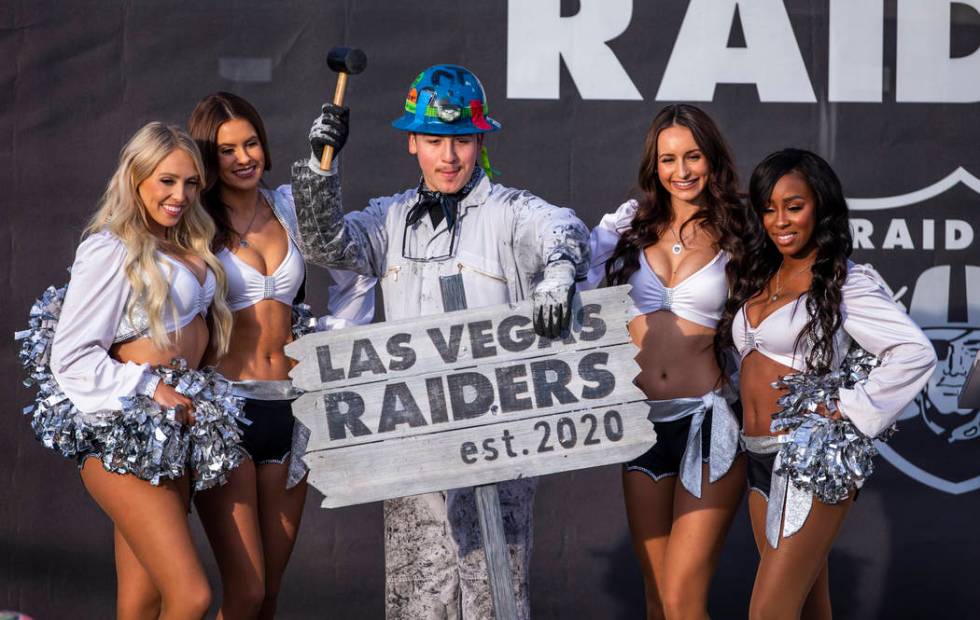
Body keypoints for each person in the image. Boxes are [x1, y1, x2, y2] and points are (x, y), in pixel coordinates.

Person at [289, 64, 590, 619]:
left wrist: (558, 274)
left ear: (480, 142)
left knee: (495, 597)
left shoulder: (509, 213)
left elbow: (564, 228)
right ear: (412, 143)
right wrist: (318, 168)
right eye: (434, 140)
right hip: (413, 443)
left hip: (499, 443)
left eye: (461, 141)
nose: (448, 156)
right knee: (416, 601)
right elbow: (326, 244)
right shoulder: (391, 217)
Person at [718, 148, 937, 619]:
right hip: (754, 453)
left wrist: (847, 407)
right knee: (811, 608)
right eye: (769, 208)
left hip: (809, 456)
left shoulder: (845, 283)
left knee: (768, 612)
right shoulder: (763, 276)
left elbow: (915, 353)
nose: (780, 220)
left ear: (821, 206)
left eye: (794, 206)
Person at [188, 92, 376, 619]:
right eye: (227, 150)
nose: (244, 157)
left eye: (251, 143)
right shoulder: (195, 224)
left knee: (268, 596)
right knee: (244, 592)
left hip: (294, 411)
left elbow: (354, 267)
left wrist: (329, 344)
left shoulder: (291, 205)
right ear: (208, 157)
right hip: (226, 412)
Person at [47, 122, 240, 618]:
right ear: (136, 180)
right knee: (191, 595)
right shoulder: (111, 248)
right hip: (125, 431)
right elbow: (69, 355)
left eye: (191, 182)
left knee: (142, 601)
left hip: (172, 435)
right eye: (166, 181)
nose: (180, 195)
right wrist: (149, 386)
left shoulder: (189, 243)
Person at [585, 104, 750, 620]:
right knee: (657, 599)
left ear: (712, 159)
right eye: (668, 159)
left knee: (682, 600)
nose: (681, 172)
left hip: (710, 424)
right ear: (653, 166)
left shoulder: (742, 232)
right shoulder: (628, 227)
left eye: (693, 156)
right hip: (642, 426)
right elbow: (571, 276)